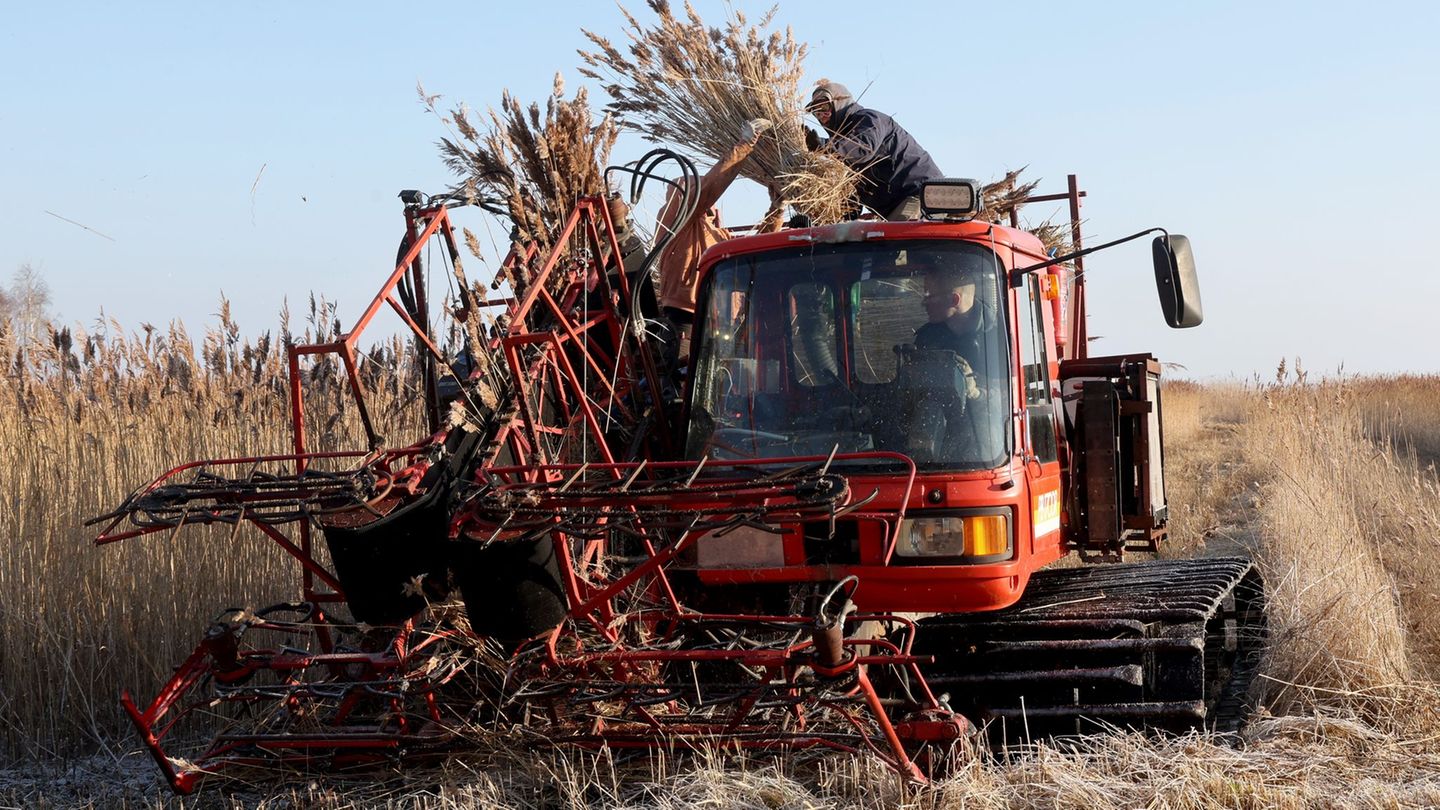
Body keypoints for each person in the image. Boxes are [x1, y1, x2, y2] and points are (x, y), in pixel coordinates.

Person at [655, 118, 785, 368]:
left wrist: (777, 209)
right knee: (684, 396)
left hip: (721, 329)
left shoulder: (719, 238)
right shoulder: (675, 223)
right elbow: (704, 192)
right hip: (687, 326)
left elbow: (756, 250)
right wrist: (744, 145)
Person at [902, 262, 1004, 463]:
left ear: (954, 299)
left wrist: (976, 391)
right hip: (937, 444)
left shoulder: (1002, 336)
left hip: (989, 449)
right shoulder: (926, 338)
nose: (924, 303)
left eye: (929, 295)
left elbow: (1020, 396)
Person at [806, 81, 943, 221]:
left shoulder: (869, 119)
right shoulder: (842, 149)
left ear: (840, 103)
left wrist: (823, 146)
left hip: (922, 193)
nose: (821, 115)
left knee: (896, 237)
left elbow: (863, 148)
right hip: (893, 206)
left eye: (824, 107)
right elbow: (851, 193)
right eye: (816, 111)